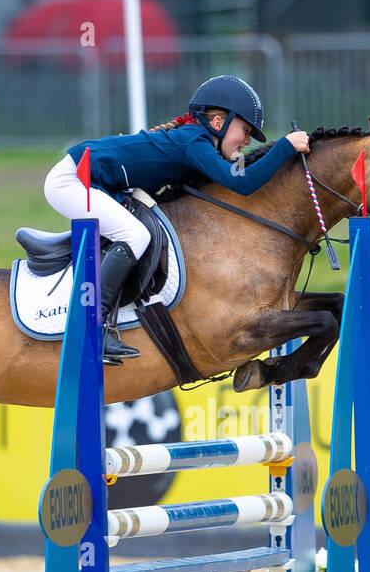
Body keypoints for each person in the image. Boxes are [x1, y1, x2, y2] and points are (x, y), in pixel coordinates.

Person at [44, 75, 311, 364]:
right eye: (245, 131)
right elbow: (242, 182)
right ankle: (90, 329)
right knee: (135, 235)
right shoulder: (194, 142)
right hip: (73, 180)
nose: (247, 141)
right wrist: (284, 147)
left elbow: (237, 172)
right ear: (218, 123)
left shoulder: (197, 141)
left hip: (94, 181)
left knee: (136, 231)